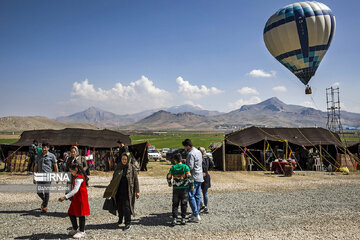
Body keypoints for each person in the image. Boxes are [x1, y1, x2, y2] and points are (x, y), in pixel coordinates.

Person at [103, 153, 140, 231]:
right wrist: (111, 189)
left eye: (125, 159)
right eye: (122, 159)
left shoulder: (132, 168)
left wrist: (137, 191)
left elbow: (136, 180)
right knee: (119, 206)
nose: (124, 161)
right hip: (118, 190)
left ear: (128, 159)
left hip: (128, 191)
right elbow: (113, 179)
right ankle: (120, 219)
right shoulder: (118, 167)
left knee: (127, 207)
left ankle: (128, 223)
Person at [59, 163, 90, 239]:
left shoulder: (79, 178)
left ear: (75, 170)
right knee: (71, 212)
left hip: (81, 198)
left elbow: (75, 190)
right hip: (76, 198)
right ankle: (75, 228)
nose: (71, 173)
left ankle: (82, 231)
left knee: (81, 214)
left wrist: (65, 197)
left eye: (71, 171)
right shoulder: (76, 177)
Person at [167, 153, 194, 226]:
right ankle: (183, 218)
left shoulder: (173, 167)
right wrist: (192, 184)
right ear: (181, 159)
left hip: (176, 188)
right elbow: (189, 176)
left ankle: (175, 218)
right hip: (184, 188)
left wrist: (169, 183)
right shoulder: (185, 167)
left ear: (175, 160)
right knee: (184, 203)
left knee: (175, 204)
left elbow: (169, 176)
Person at [182, 139, 203, 222]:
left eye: (184, 146)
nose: (184, 148)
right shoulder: (198, 152)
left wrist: (184, 164)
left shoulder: (190, 154)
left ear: (187, 146)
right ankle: (196, 213)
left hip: (193, 177)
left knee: (191, 196)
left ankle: (196, 214)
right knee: (198, 196)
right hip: (199, 176)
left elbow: (190, 167)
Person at [33, 142, 58, 213]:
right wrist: (34, 176)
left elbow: (55, 165)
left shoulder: (52, 156)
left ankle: (45, 206)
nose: (44, 149)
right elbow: (36, 166)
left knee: (46, 192)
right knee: (39, 192)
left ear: (48, 148)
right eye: (43, 147)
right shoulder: (38, 156)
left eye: (45, 147)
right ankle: (45, 201)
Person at [198, 147, 211, 214]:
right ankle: (205, 206)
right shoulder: (208, 158)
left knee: (198, 193)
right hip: (207, 176)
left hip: (201, 176)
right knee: (205, 193)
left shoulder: (200, 159)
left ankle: (203, 206)